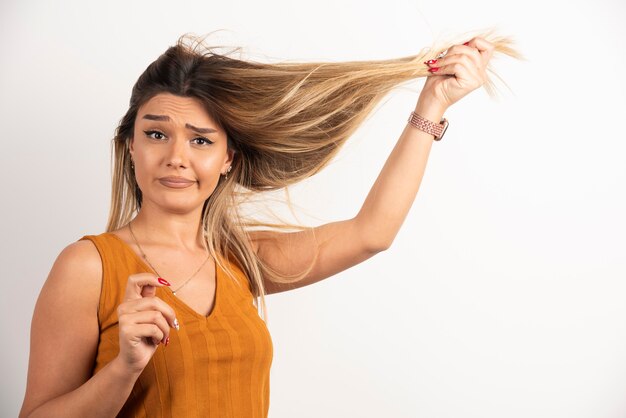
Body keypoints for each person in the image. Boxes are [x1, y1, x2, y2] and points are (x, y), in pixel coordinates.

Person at [19, 31, 519, 417]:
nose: (175, 157)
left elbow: (372, 233)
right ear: (131, 145)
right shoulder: (88, 267)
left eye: (200, 140)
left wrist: (430, 105)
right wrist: (124, 368)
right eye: (156, 133)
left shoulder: (242, 261)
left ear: (228, 159)